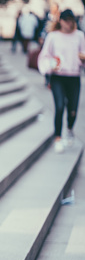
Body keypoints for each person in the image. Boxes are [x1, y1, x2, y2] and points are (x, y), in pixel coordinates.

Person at [38, 9, 85, 153]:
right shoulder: (53, 36)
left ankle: (69, 128)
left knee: (72, 109)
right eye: (67, 20)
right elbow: (45, 55)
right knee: (59, 106)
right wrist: (51, 65)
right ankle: (58, 137)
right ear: (61, 21)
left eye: (72, 20)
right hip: (58, 76)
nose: (69, 24)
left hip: (74, 76)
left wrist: (82, 58)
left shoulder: (79, 36)